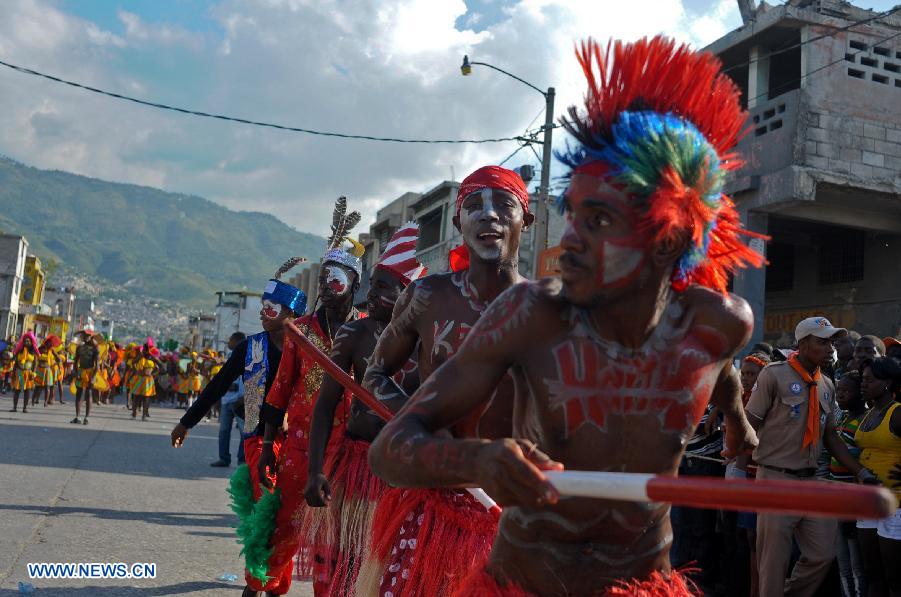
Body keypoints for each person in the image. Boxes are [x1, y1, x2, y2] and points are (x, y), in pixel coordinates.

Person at [368, 35, 766, 596]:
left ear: (666, 239)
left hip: (644, 582)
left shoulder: (719, 326)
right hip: (523, 582)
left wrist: (737, 419)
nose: (571, 242)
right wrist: (476, 460)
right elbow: (390, 451)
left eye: (598, 222)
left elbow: (716, 371)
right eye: (573, 216)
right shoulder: (532, 314)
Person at [359, 165, 533, 597]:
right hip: (431, 506)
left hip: (511, 513)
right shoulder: (428, 295)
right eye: (473, 206)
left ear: (525, 221)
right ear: (458, 224)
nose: (488, 216)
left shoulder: (548, 309)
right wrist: (417, 424)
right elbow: (375, 373)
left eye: (503, 205)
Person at [304, 222, 426, 596]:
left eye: (382, 287)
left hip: (401, 473)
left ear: (406, 294)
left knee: (385, 567)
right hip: (356, 466)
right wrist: (315, 471)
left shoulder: (430, 341)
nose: (371, 294)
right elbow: (325, 407)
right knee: (343, 563)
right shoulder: (354, 334)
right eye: (371, 284)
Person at [252, 198, 365, 597]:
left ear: (354, 283)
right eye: (325, 280)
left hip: (351, 453)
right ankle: (260, 585)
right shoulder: (298, 331)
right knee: (284, 527)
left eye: (338, 280)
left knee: (336, 544)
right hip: (301, 448)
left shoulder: (369, 332)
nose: (328, 288)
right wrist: (267, 444)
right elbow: (278, 392)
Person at [747, 317, 874, 597]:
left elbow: (831, 437)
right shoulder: (773, 374)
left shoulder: (827, 385)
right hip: (775, 480)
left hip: (811, 481)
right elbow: (749, 421)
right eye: (823, 341)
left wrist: (860, 472)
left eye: (832, 342)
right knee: (773, 564)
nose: (831, 348)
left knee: (822, 555)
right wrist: (737, 454)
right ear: (803, 344)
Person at [855, 357, 901, 597]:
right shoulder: (870, 411)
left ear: (887, 383)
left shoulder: (898, 413)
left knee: (894, 578)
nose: (863, 384)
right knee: (872, 573)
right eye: (862, 379)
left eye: (869, 380)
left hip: (895, 504)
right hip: (868, 502)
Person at [829, 370, 868, 597]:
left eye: (846, 391)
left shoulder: (864, 423)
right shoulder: (842, 419)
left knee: (856, 564)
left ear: (859, 394)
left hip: (852, 502)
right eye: (838, 391)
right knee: (842, 562)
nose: (840, 395)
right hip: (836, 499)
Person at [72, 330, 99, 425]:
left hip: (90, 372)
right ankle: (77, 417)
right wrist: (76, 372)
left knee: (89, 394)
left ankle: (86, 417)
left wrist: (93, 377)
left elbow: (97, 365)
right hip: (81, 372)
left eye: (88, 335)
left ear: (91, 337)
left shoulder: (95, 348)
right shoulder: (79, 347)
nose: (86, 337)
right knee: (79, 394)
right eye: (85, 335)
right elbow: (75, 361)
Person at [9, 332, 39, 413]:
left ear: (31, 342)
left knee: (27, 391)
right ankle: (14, 407)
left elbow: (35, 363)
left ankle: (25, 408)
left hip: (28, 373)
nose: (26, 343)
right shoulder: (20, 351)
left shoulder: (33, 352)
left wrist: (33, 373)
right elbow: (15, 362)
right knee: (17, 390)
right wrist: (13, 372)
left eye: (28, 341)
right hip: (19, 372)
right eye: (25, 341)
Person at [131, 340, 160, 421]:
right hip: (139, 379)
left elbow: (158, 369)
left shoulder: (153, 358)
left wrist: (153, 374)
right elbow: (133, 362)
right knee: (136, 397)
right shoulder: (140, 356)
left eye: (144, 349)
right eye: (143, 349)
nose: (143, 350)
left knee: (146, 398)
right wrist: (136, 371)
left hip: (148, 380)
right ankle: (134, 414)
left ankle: (144, 416)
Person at [35, 335, 61, 407]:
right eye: (50, 343)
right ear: (46, 343)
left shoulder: (52, 350)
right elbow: (35, 356)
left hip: (48, 370)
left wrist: (56, 362)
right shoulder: (41, 348)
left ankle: (46, 402)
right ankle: (35, 399)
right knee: (38, 386)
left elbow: (59, 359)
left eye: (52, 343)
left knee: (48, 386)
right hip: (40, 369)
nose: (51, 344)